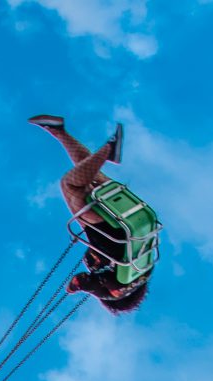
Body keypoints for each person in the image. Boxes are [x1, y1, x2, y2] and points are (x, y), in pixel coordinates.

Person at [28, 116, 151, 312]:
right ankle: (109, 150)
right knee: (70, 185)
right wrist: (73, 288)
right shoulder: (112, 291)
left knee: (91, 174)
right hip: (109, 234)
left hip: (130, 222)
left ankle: (59, 131)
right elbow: (81, 282)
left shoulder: (144, 270)